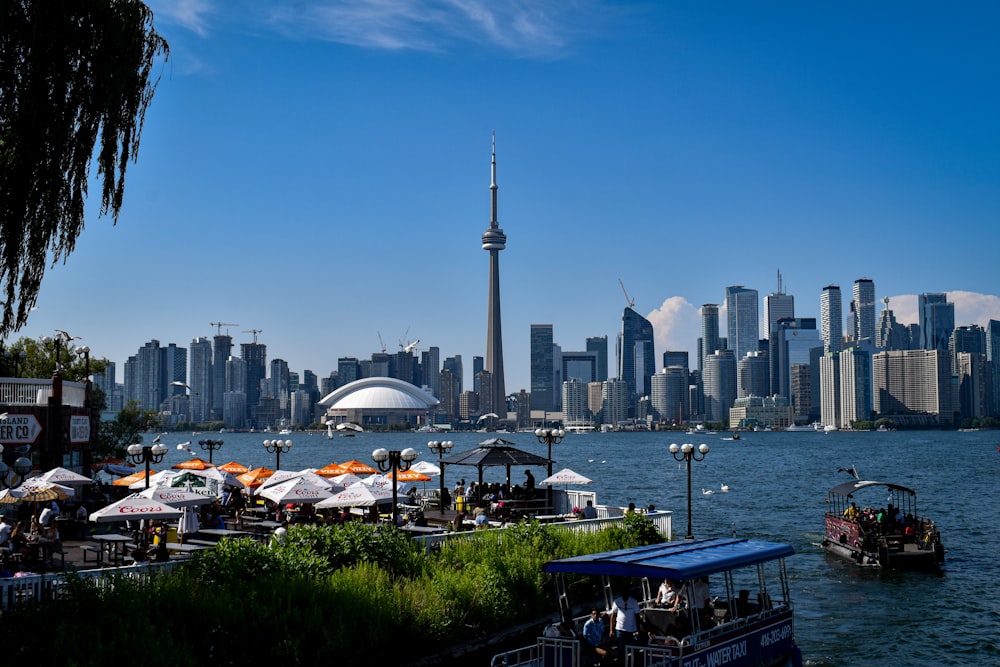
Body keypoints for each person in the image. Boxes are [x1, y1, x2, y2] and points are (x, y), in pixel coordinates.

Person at [609, 588, 640, 655]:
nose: (624, 595)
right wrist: (611, 630)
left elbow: (637, 616)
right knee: (621, 649)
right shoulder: (617, 601)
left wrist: (638, 629)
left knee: (634, 648)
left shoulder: (633, 601)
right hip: (620, 629)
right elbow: (613, 616)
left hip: (632, 629)